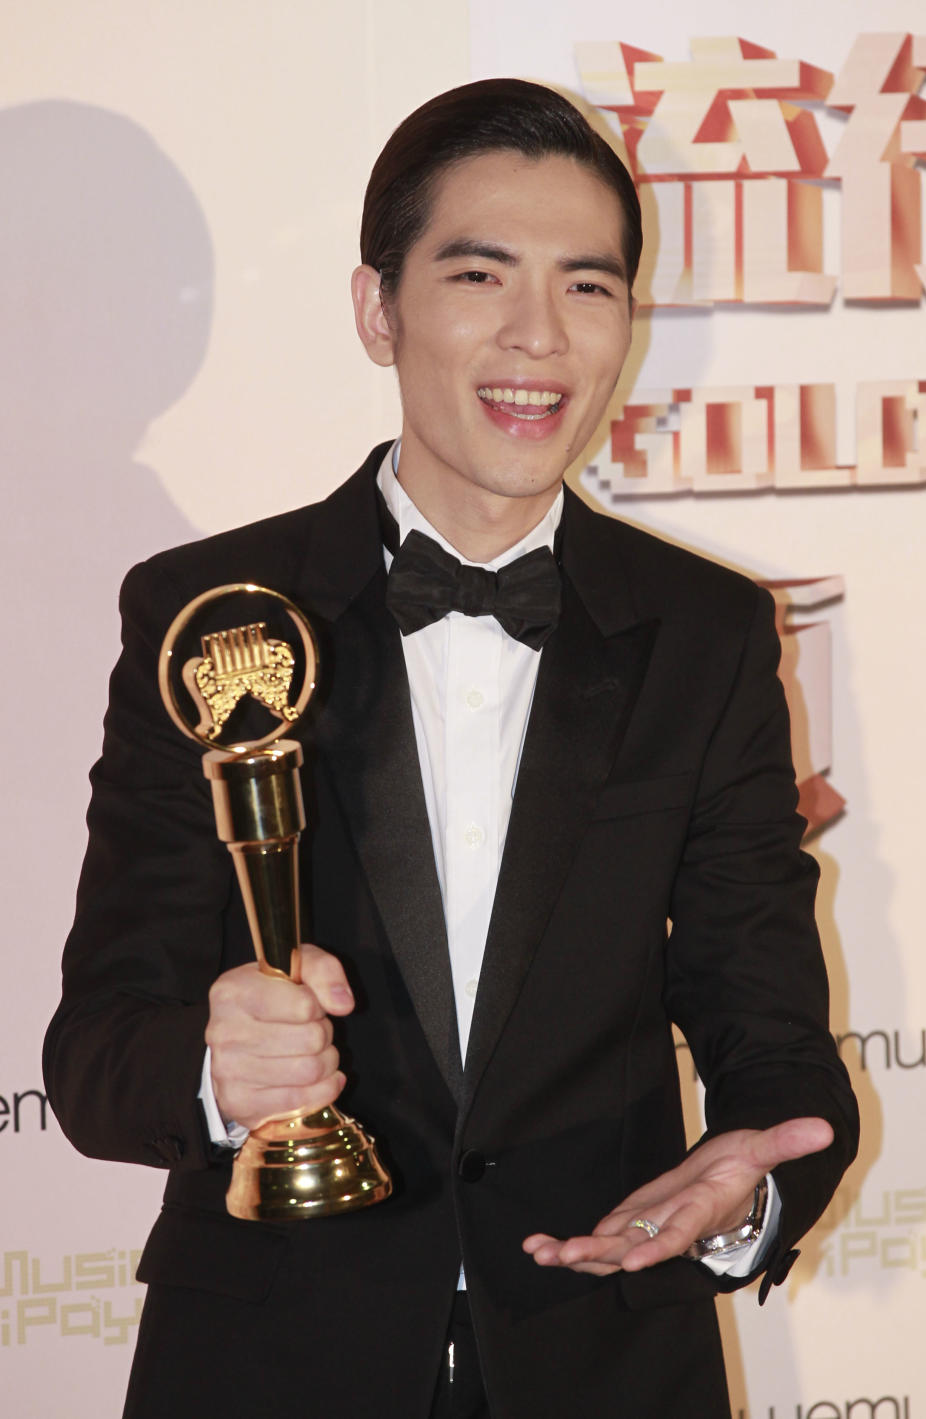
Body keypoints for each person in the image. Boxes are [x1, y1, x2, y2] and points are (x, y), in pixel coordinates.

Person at [44, 79, 859, 1419]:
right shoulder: (219, 617)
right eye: (481, 275)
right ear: (381, 308)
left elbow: (766, 1025)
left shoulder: (706, 635)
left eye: (588, 288)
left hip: (603, 1353)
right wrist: (213, 1074)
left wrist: (744, 1194)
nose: (538, 336)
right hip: (268, 1362)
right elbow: (95, 1050)